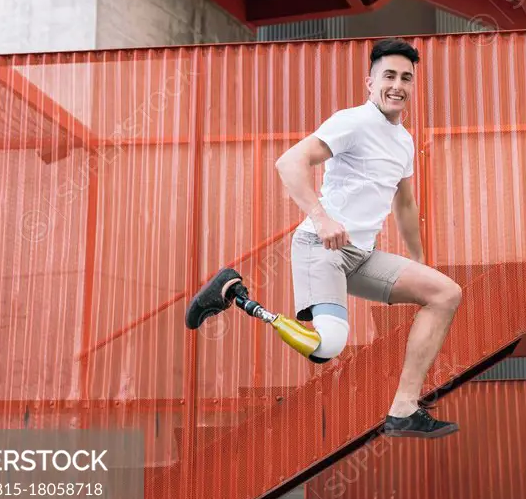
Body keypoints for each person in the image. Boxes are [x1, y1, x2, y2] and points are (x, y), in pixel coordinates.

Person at [186, 38, 462, 439]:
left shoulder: (403, 141)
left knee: (445, 293)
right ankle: (233, 292)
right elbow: (290, 162)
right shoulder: (352, 121)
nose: (397, 85)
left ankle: (404, 410)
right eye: (389, 75)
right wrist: (321, 217)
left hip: (362, 256)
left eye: (406, 78)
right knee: (328, 346)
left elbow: (404, 205)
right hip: (323, 247)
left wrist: (418, 259)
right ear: (370, 82)